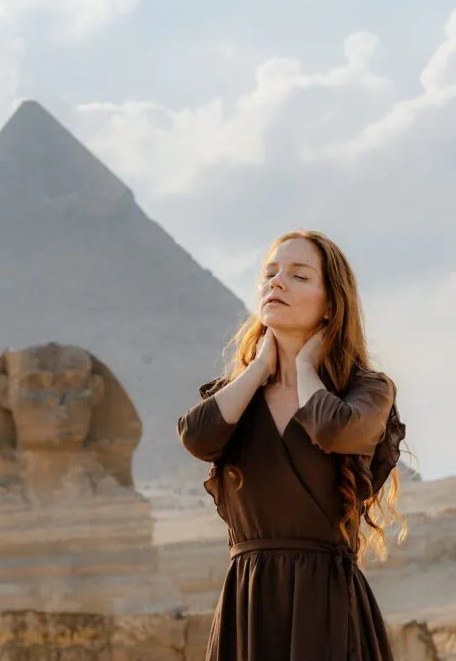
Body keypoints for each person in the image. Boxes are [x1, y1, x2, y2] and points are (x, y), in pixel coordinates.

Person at [177, 230, 408, 661]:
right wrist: (259, 368)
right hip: (249, 604)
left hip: (325, 608)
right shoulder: (239, 397)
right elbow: (196, 436)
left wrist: (304, 367)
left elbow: (335, 430)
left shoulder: (366, 390)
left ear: (331, 305)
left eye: (299, 276)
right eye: (270, 274)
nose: (277, 283)